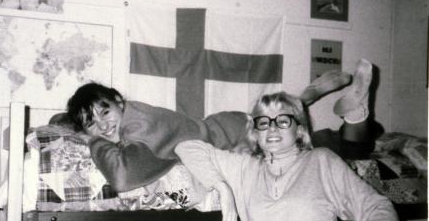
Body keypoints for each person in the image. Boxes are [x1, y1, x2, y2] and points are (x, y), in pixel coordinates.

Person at [60, 59, 374, 194]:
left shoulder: (137, 125)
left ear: (119, 101)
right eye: (92, 122)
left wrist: (91, 140)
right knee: (315, 140)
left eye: (105, 111)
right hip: (228, 125)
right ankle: (308, 99)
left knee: (353, 150)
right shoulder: (136, 115)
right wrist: (73, 124)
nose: (103, 125)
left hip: (240, 139)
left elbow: (123, 177)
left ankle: (350, 111)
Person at [174, 91, 399, 221]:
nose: (272, 128)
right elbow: (186, 146)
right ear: (255, 133)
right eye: (264, 122)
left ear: (299, 130)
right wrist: (223, 189)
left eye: (283, 121)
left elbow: (382, 213)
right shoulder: (246, 169)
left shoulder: (321, 161)